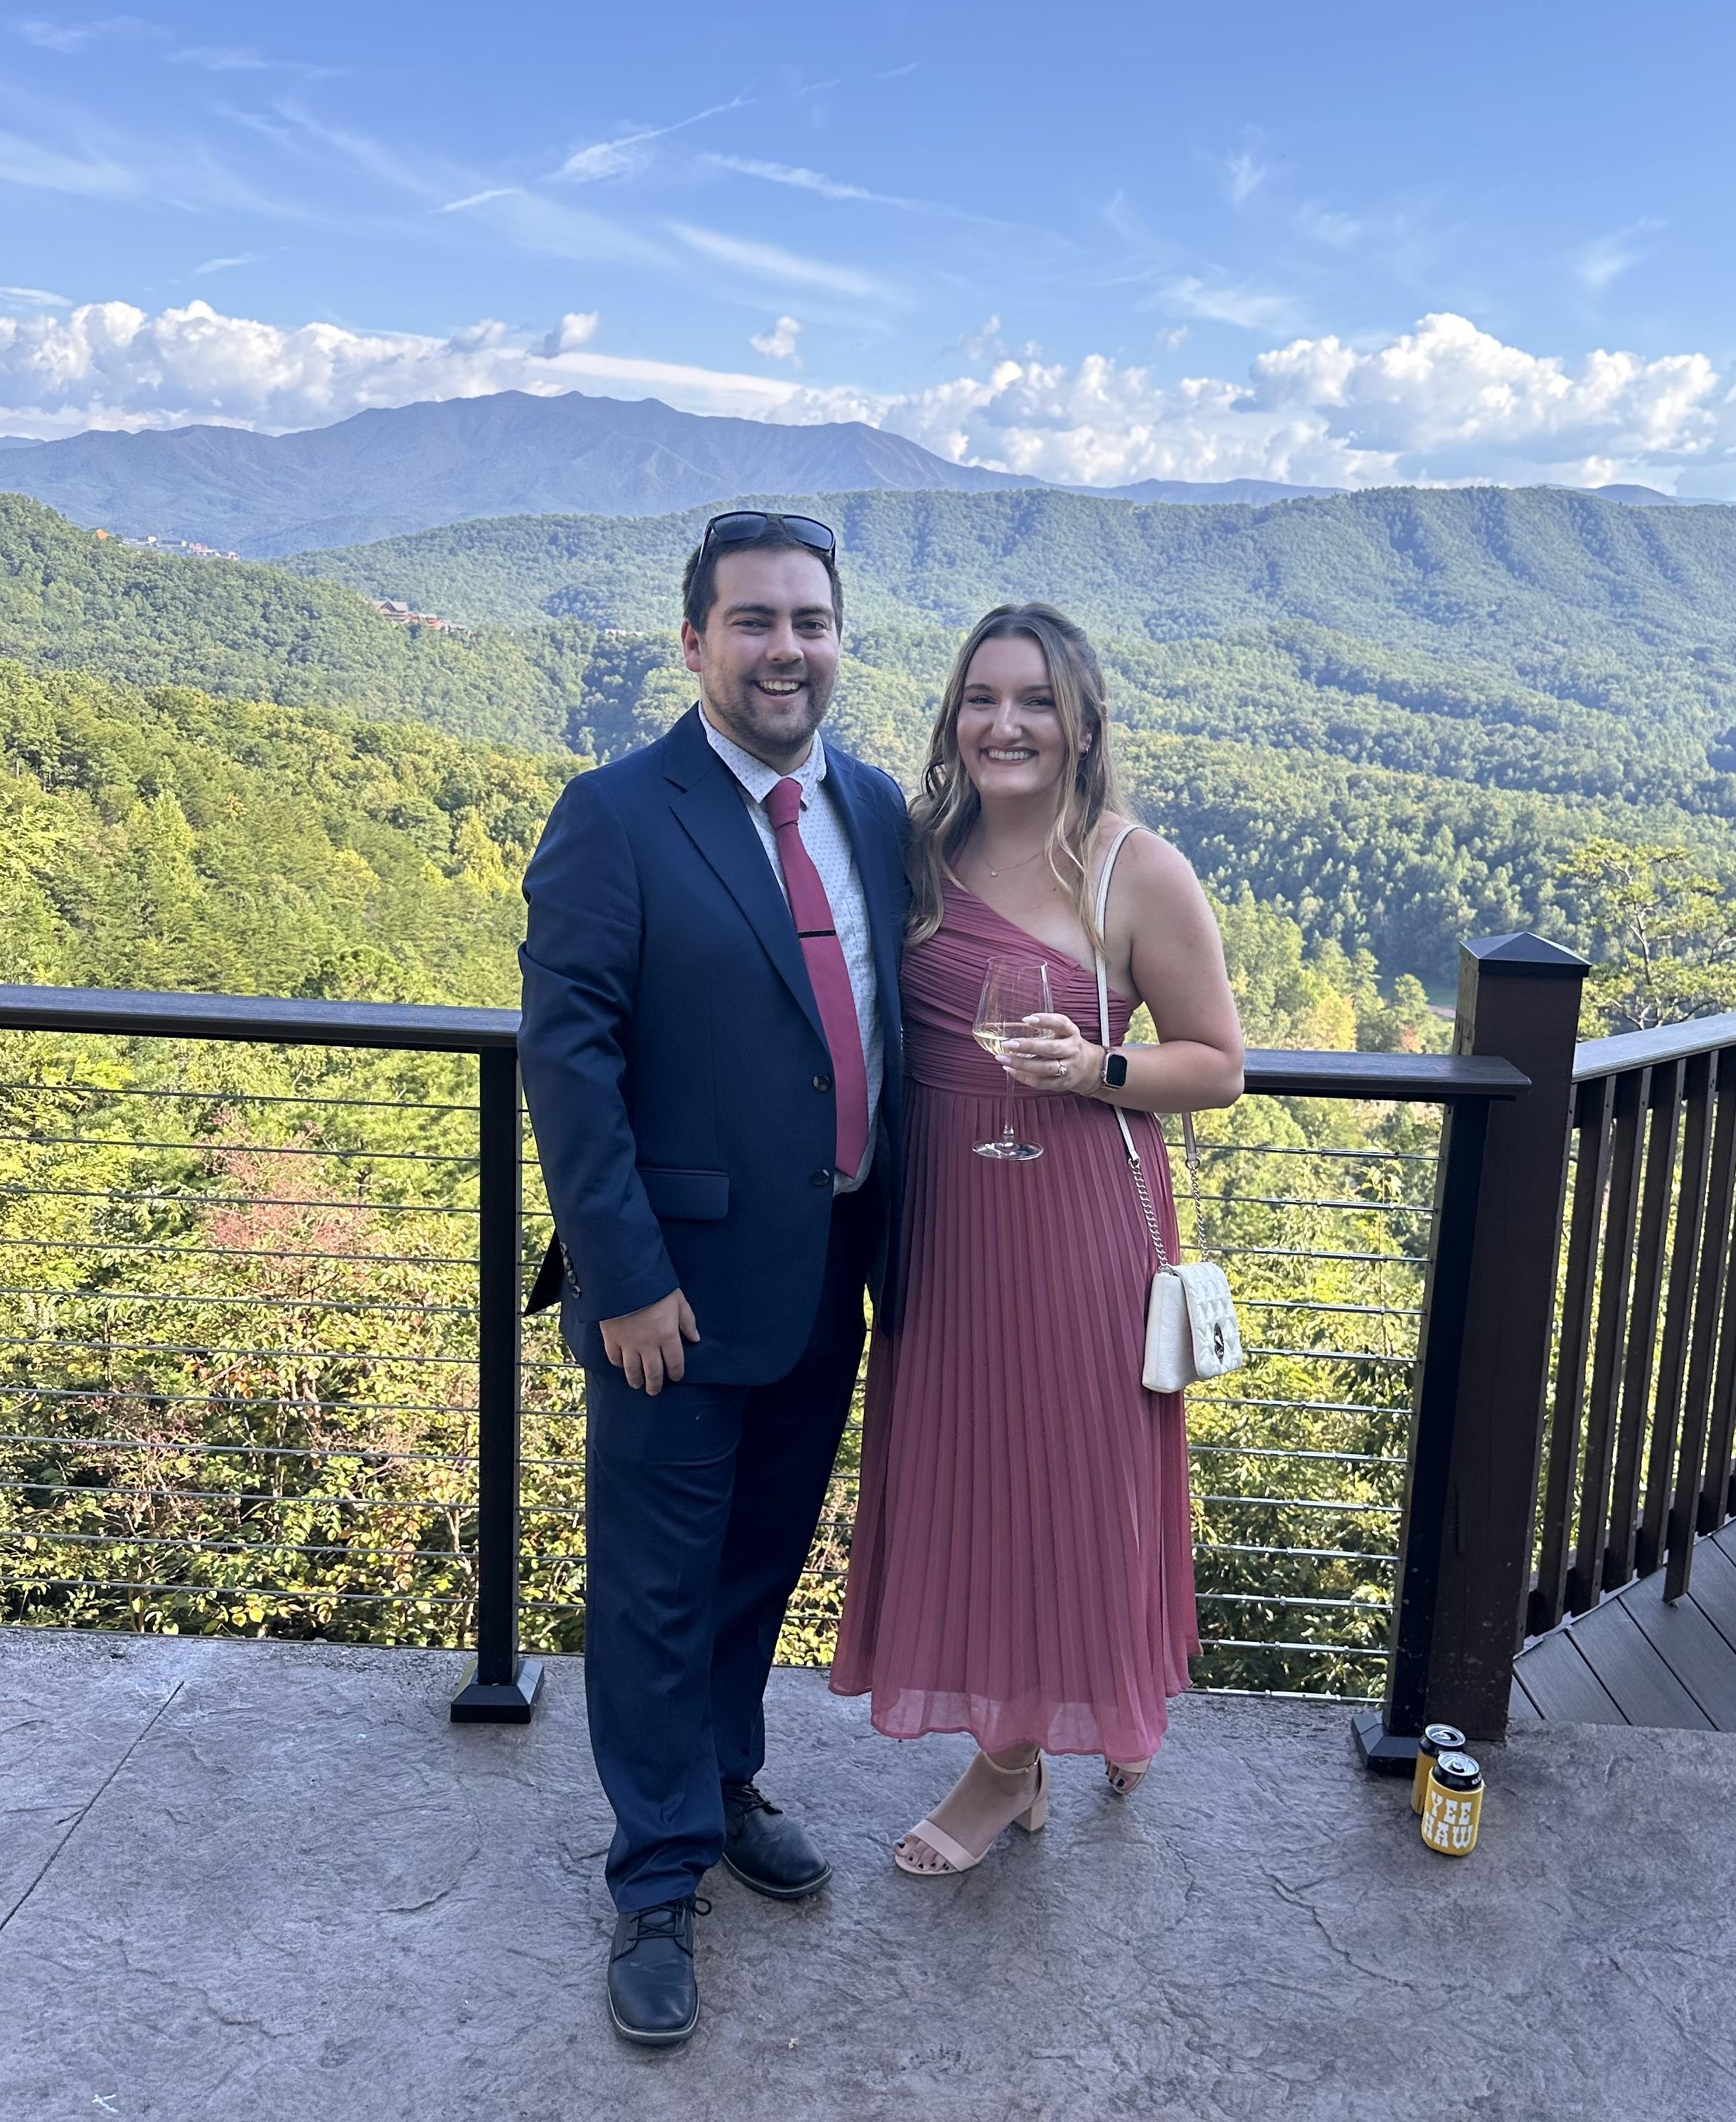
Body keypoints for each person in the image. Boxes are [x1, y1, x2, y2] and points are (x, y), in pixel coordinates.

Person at [519, 511, 909, 2043]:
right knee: (656, 1588)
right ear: (693, 643)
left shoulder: (871, 807)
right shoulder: (616, 815)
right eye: (753, 621)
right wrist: (623, 1278)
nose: (785, 649)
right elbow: (570, 1061)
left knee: (759, 1561)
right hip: (669, 1298)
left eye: (810, 621)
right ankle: (657, 1875)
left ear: (838, 640)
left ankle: (725, 1779)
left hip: (830, 1277)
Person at [829, 602, 1244, 1874]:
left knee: (1068, 1486)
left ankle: (1006, 1770)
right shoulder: (914, 851)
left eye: (1035, 702)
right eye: (982, 698)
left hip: (1075, 1229)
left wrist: (1100, 1067)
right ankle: (1042, 1729)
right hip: (941, 1228)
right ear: (953, 715)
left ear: (1082, 723)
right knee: (967, 1483)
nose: (1004, 725)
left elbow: (1219, 1066)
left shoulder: (1137, 871)